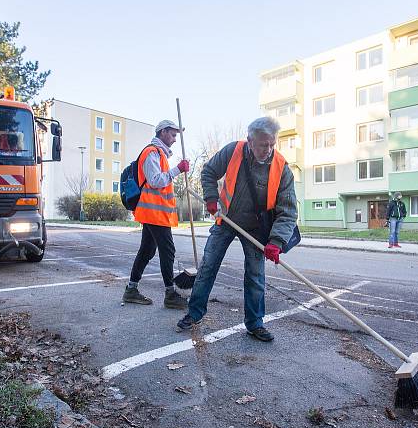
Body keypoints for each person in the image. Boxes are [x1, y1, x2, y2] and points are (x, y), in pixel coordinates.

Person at [176, 117, 298, 342]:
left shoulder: (282, 168)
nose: (268, 150)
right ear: (250, 141)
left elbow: (288, 210)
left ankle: (255, 324)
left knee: (255, 274)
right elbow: (209, 172)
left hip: (255, 229)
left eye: (272, 144)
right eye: (263, 145)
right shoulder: (233, 151)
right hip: (227, 219)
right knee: (208, 265)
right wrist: (211, 198)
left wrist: (276, 242)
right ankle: (194, 313)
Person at [123, 120, 190, 309]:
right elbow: (155, 180)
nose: (175, 139)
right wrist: (178, 169)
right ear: (162, 132)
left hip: (154, 212)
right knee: (167, 251)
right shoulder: (152, 152)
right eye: (173, 134)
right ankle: (170, 294)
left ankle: (131, 289)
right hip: (153, 213)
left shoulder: (159, 153)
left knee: (147, 251)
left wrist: (176, 169)